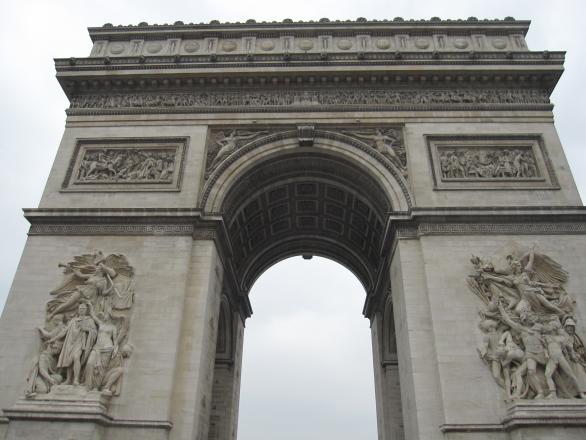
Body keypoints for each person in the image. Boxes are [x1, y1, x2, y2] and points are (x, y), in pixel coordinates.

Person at [49, 302, 97, 386]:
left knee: (76, 357)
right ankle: (68, 379)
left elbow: (95, 332)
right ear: (78, 310)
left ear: (86, 310)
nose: (81, 310)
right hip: (70, 343)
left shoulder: (89, 320)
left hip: (81, 343)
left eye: (83, 309)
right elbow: (64, 331)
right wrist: (54, 339)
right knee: (69, 360)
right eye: (80, 308)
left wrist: (86, 329)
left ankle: (76, 379)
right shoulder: (73, 320)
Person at [84, 303, 118, 390]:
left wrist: (115, 350)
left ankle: (96, 387)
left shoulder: (113, 327)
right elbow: (92, 315)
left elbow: (115, 341)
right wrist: (90, 305)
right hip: (97, 348)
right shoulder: (101, 324)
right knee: (89, 363)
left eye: (106, 314)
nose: (104, 316)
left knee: (101, 368)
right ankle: (88, 386)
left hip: (107, 349)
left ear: (110, 316)